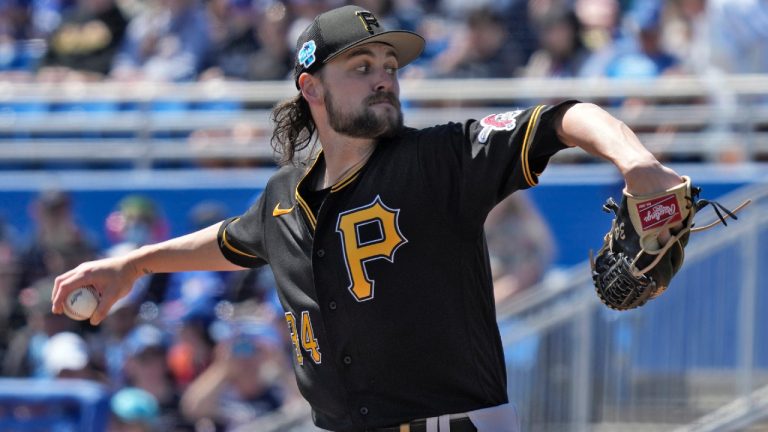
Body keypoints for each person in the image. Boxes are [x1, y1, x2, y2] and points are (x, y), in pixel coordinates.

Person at [52, 5, 687, 432]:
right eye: (362, 68)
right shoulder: (283, 196)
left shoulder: (441, 159)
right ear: (312, 88)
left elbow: (562, 117)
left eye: (389, 67)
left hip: (446, 423)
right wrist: (132, 262)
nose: (385, 79)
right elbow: (228, 242)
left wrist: (638, 163)